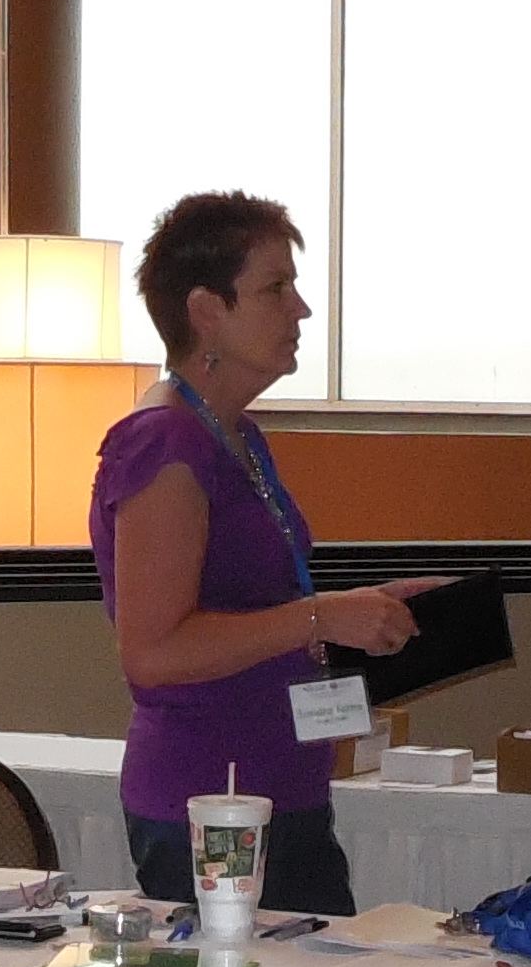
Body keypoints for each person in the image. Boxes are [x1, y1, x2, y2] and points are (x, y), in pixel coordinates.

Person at [92, 191, 435, 912]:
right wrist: (320, 616)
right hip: (211, 803)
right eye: (275, 288)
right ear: (205, 311)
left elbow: (252, 613)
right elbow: (153, 651)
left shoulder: (237, 435)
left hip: (278, 790)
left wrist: (360, 616)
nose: (300, 309)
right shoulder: (165, 440)